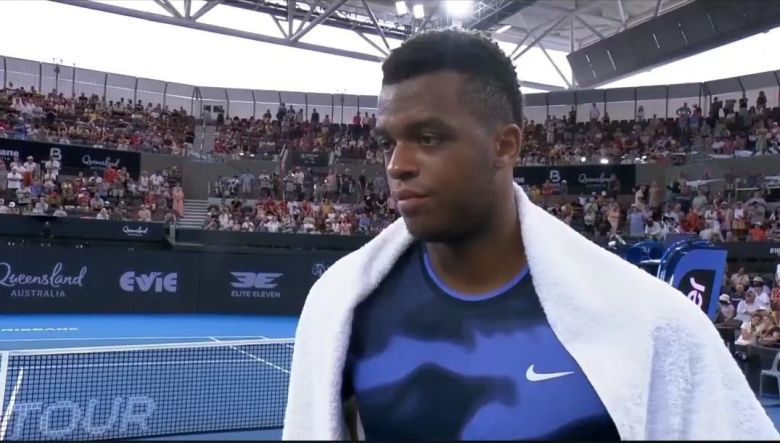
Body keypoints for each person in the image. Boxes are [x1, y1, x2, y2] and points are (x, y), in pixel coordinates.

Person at [283, 29, 777, 440]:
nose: (397, 165)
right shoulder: (342, 308)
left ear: (504, 145)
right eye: (389, 142)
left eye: (428, 138)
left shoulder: (653, 323)